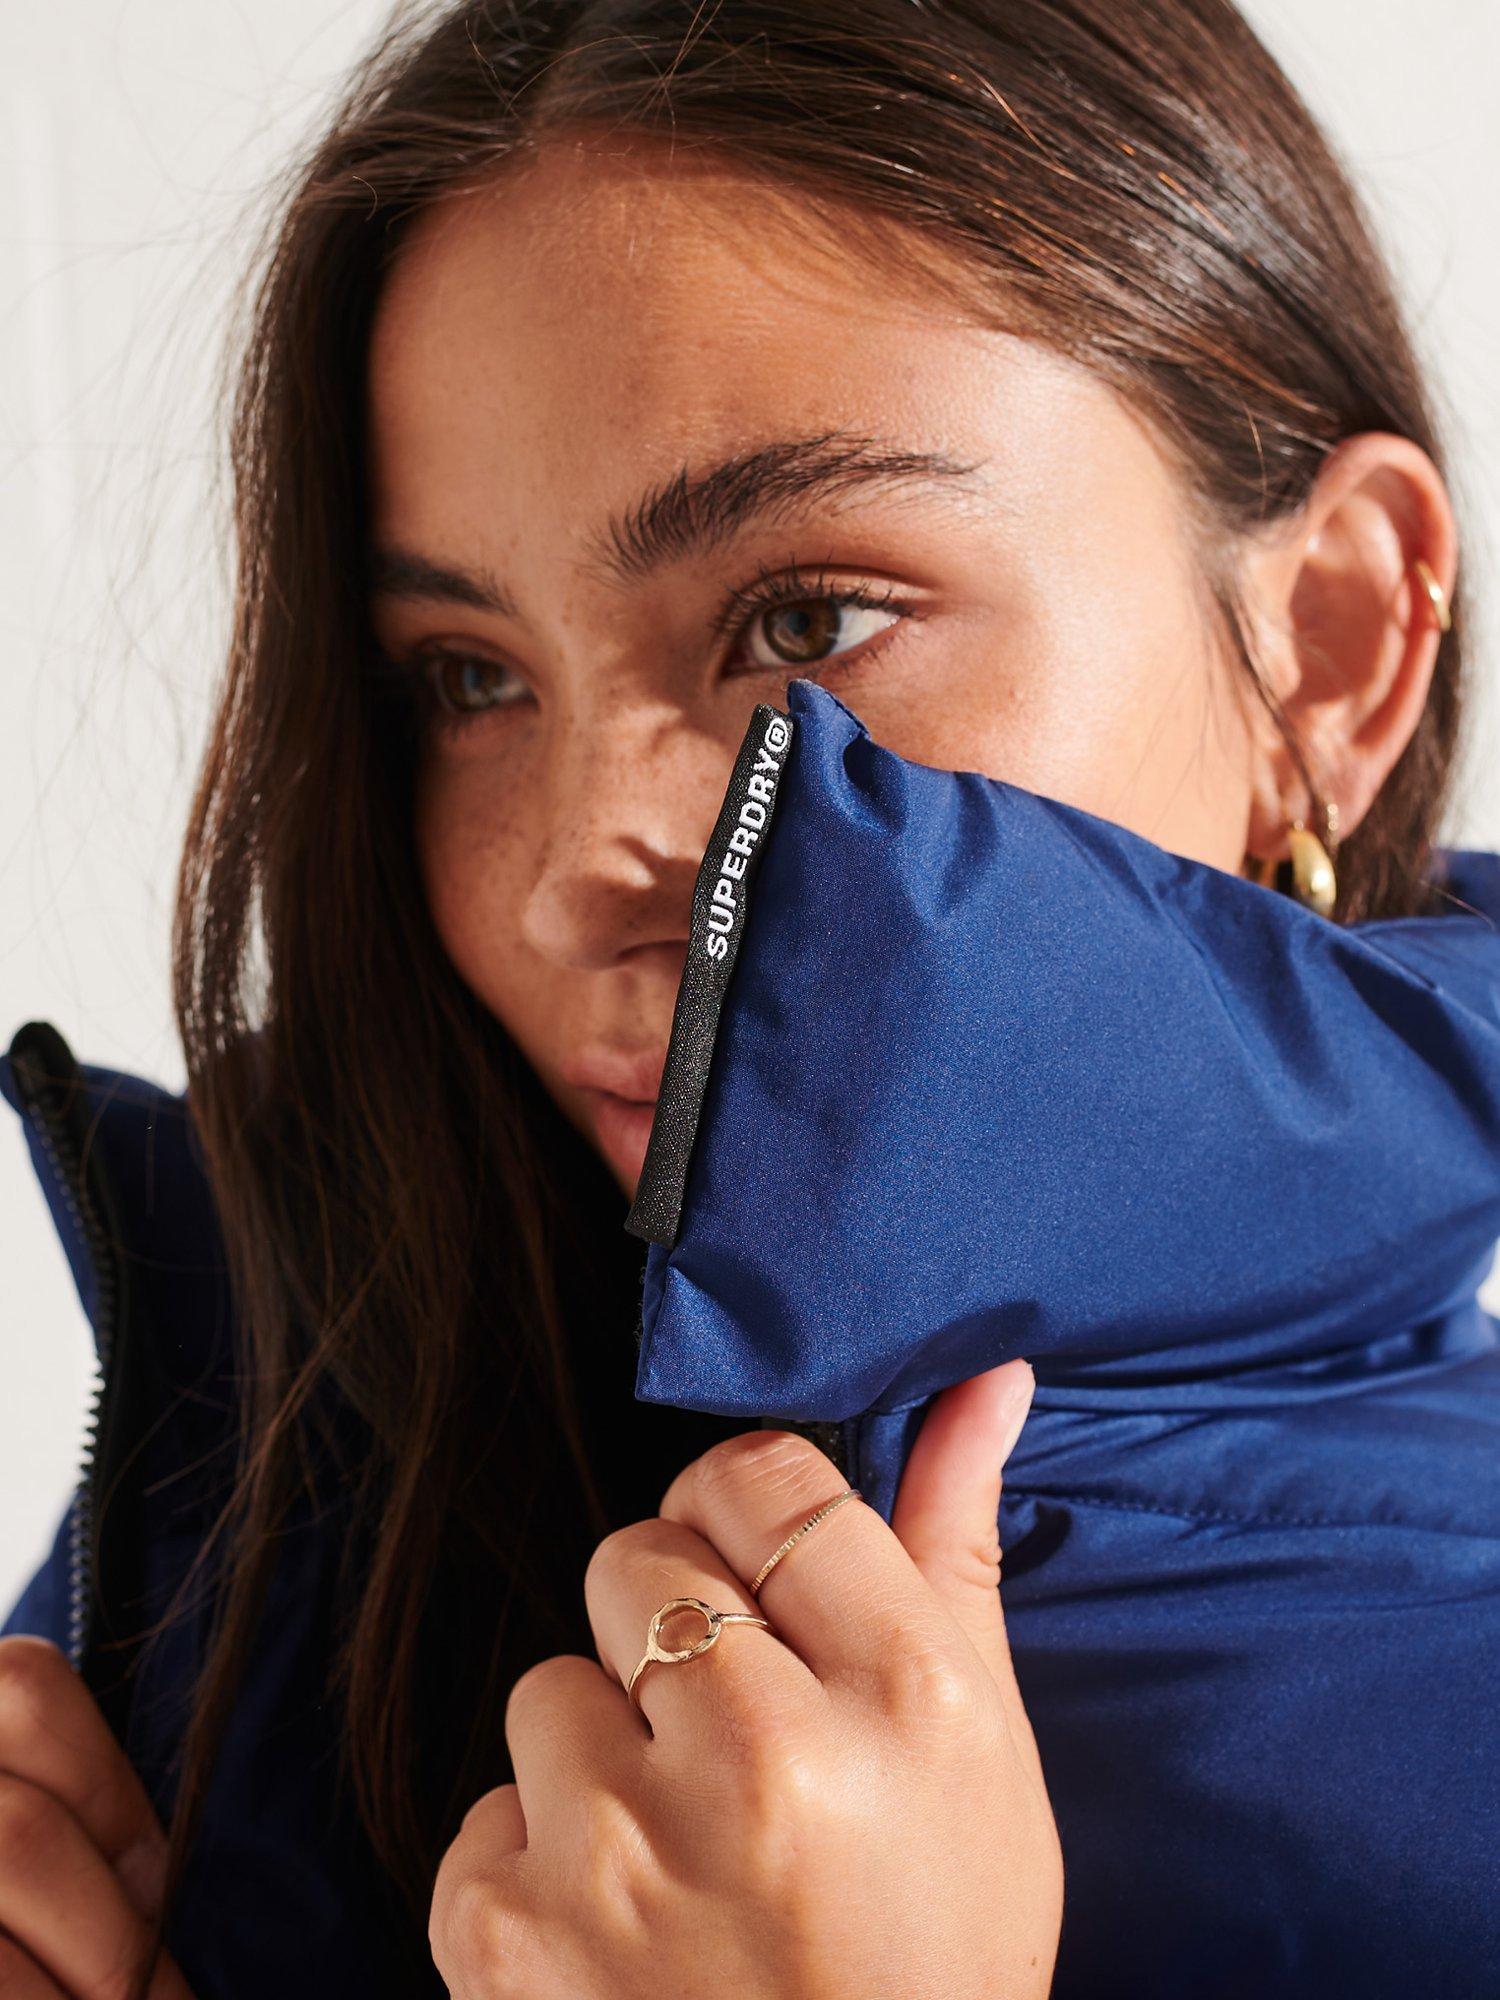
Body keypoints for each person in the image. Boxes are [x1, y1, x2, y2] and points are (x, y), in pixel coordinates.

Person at [3, 1, 1498, 1995]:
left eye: (806, 620)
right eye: (470, 679)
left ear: (1334, 640)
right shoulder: (262, 1492)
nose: (562, 878)